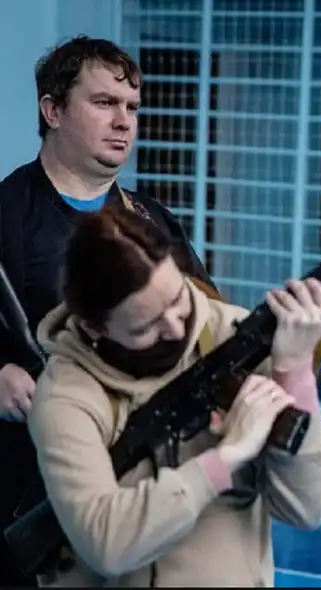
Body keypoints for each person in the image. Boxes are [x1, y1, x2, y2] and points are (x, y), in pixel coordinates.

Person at [24, 207, 321, 586]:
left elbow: (307, 507)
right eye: (146, 326)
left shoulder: (231, 338)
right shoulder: (66, 395)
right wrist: (226, 458)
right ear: (95, 328)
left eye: (178, 300)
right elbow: (108, 543)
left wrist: (294, 369)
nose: (176, 329)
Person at [0, 36, 218, 585]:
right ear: (52, 110)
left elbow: (209, 326)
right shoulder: (6, 214)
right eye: (104, 103)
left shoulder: (152, 222)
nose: (124, 121)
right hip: (25, 488)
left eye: (132, 107)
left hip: (141, 491)